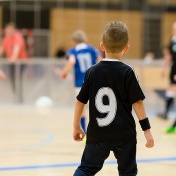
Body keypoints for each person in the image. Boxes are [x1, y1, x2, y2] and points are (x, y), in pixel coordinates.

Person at [73, 22, 154, 176]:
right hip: (124, 134)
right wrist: (147, 130)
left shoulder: (92, 71)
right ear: (127, 48)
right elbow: (137, 102)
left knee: (86, 169)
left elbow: (80, 101)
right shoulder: (128, 72)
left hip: (97, 133)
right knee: (127, 172)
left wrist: (76, 126)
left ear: (102, 46)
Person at [56, 30, 101, 134]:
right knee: (95, 107)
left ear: (74, 41)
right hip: (94, 81)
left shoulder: (73, 51)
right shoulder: (92, 49)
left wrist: (64, 72)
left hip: (80, 83)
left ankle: (84, 133)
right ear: (85, 39)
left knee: (82, 108)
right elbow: (100, 60)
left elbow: (71, 61)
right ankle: (97, 132)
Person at [0, 23, 28, 102]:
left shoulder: (18, 37)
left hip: (20, 63)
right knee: (12, 80)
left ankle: (20, 98)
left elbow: (17, 47)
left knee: (18, 79)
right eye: (7, 32)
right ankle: (17, 96)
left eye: (10, 32)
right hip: (11, 63)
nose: (8, 34)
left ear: (13, 31)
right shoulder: (6, 38)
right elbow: (2, 48)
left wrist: (14, 56)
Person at [160, 22, 176, 133]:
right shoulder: (173, 39)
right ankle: (166, 113)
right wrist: (163, 68)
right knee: (170, 91)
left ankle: (169, 118)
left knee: (172, 90)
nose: (174, 29)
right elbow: (169, 56)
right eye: (173, 27)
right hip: (173, 69)